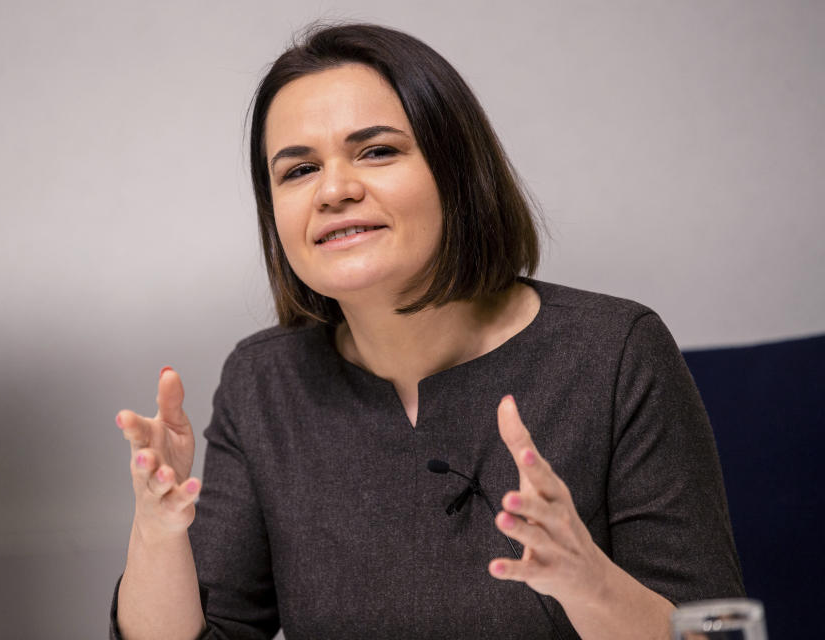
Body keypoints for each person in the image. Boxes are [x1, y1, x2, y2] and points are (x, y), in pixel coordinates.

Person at [110, 23, 744, 640]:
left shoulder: (615, 351)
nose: (334, 189)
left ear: (457, 174)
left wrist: (588, 583)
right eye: (298, 170)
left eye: (377, 151)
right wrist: (158, 532)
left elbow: (712, 634)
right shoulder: (262, 381)